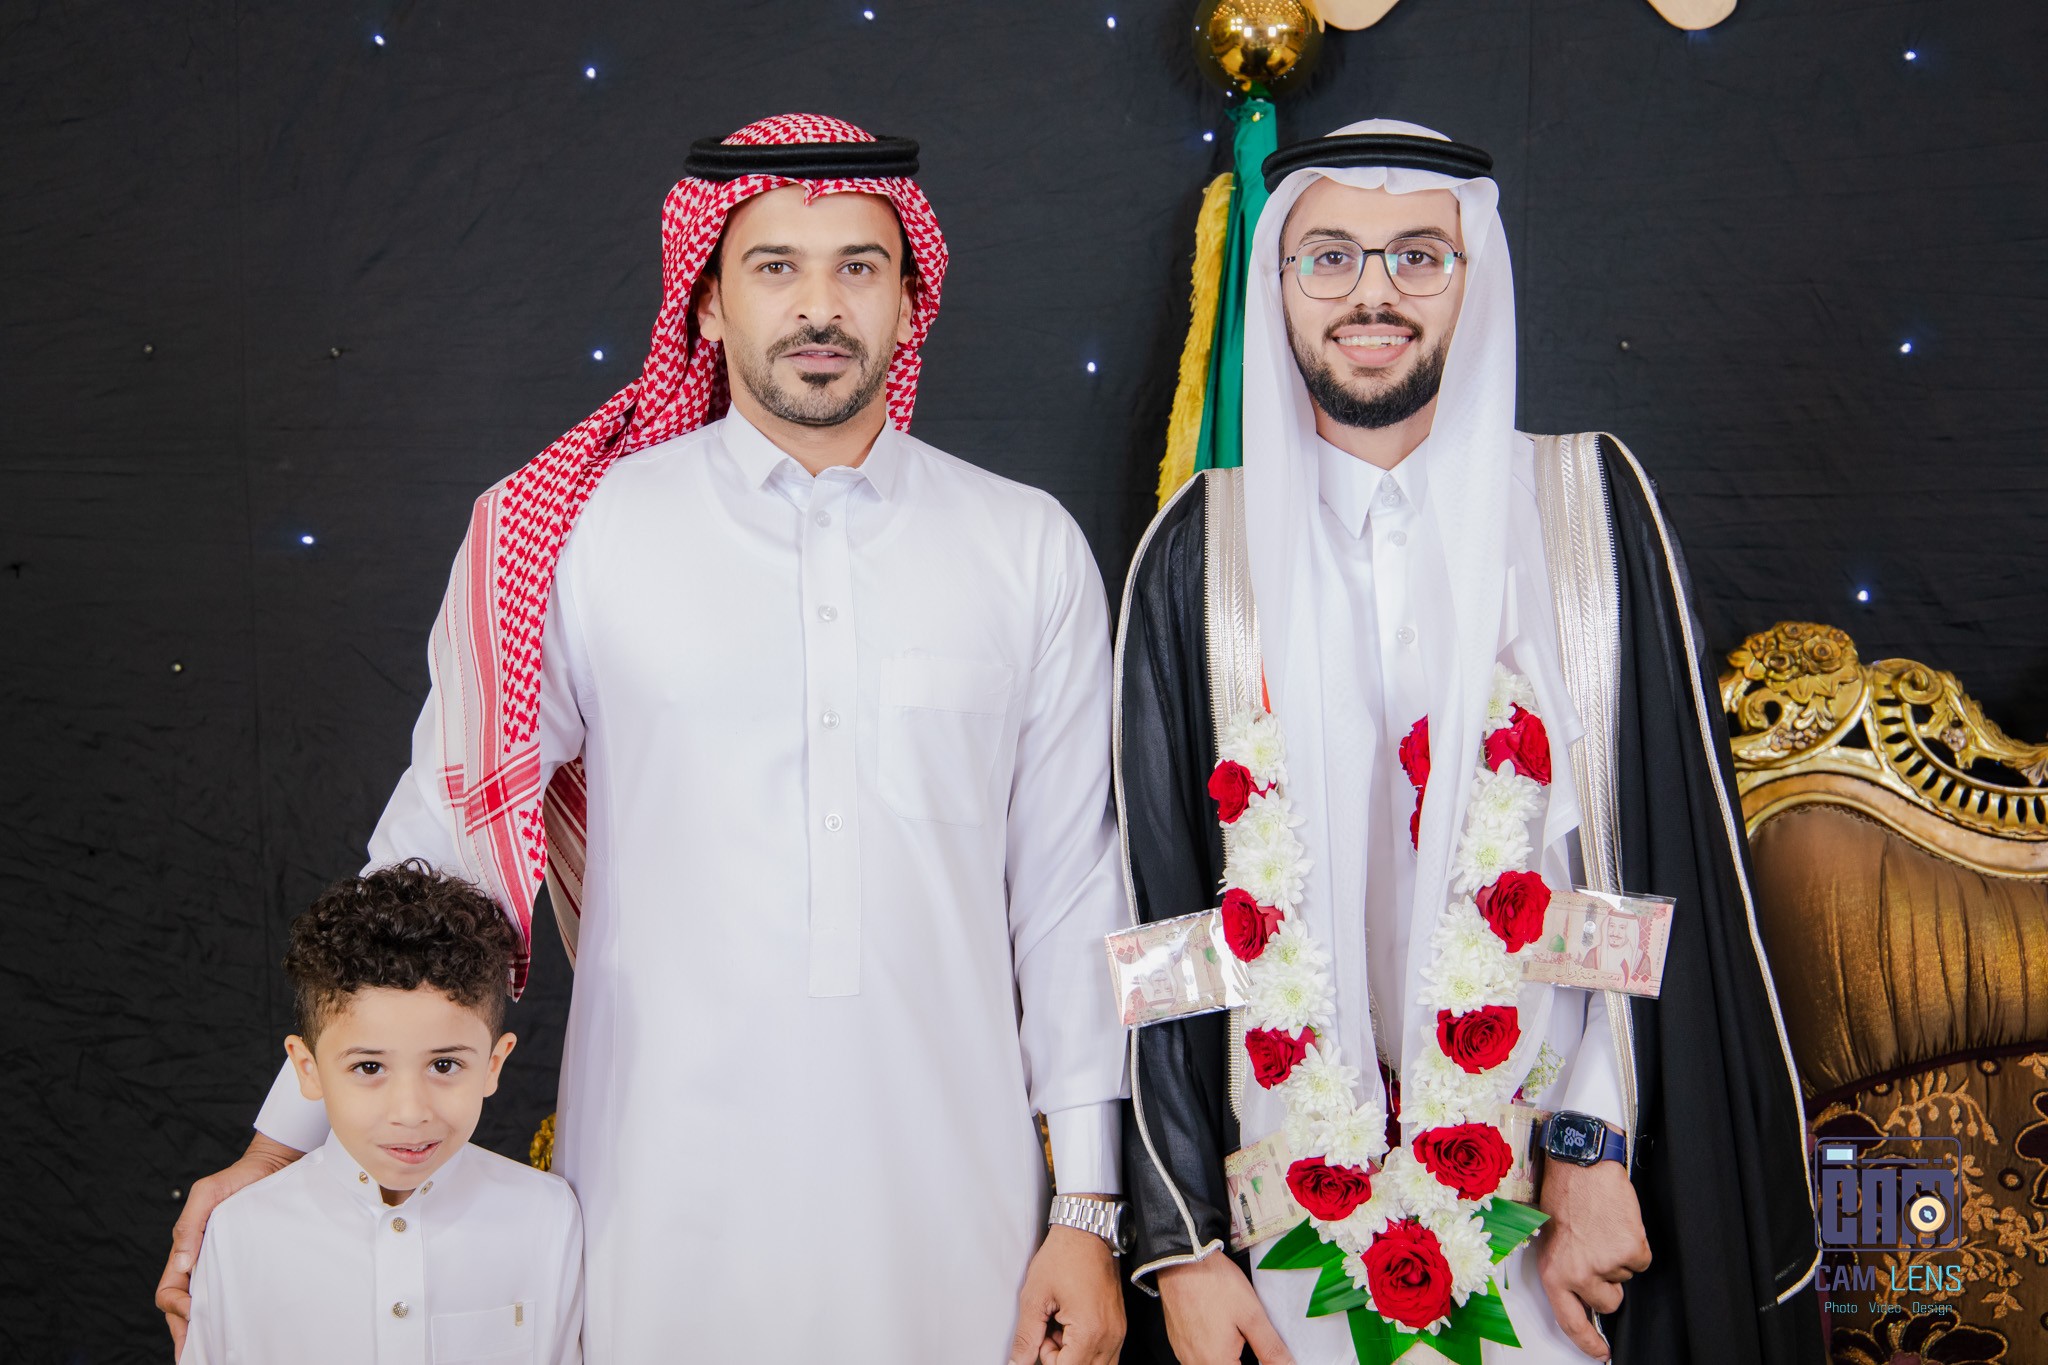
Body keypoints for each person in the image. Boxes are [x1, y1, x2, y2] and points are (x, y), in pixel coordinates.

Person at [157, 114, 1129, 1363]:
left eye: (858, 266)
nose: (818, 306)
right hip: (660, 1191)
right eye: (773, 267)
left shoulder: (1023, 545)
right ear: (706, 304)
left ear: (909, 300)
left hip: (959, 1200)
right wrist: (276, 1146)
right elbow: (442, 851)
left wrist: (1086, 1210)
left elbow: (1070, 893)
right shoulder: (579, 534)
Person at [1113, 121, 1821, 1364]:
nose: (1371, 293)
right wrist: (1180, 1242)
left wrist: (1593, 1142)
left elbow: (1644, 865)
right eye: (1328, 256)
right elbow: (1164, 932)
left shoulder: (1583, 511)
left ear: (1471, 277)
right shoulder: (1198, 553)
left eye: (1416, 256)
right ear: (1277, 284)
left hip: (1554, 1217)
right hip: (1281, 1230)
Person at [182, 862, 583, 1364]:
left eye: (444, 1064)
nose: (410, 1112)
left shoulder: (546, 1217)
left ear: (493, 1064)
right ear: (308, 1069)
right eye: (369, 1066)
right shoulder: (239, 1232)